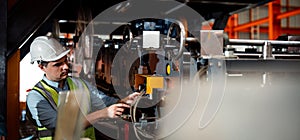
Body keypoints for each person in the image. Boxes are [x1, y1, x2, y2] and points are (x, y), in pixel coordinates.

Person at [26, 36, 140, 139]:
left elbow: (103, 101)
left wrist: (124, 101)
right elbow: (62, 126)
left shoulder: (79, 84)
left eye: (65, 60)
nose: (65, 67)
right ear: (42, 67)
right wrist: (102, 114)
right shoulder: (36, 97)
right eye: (57, 64)